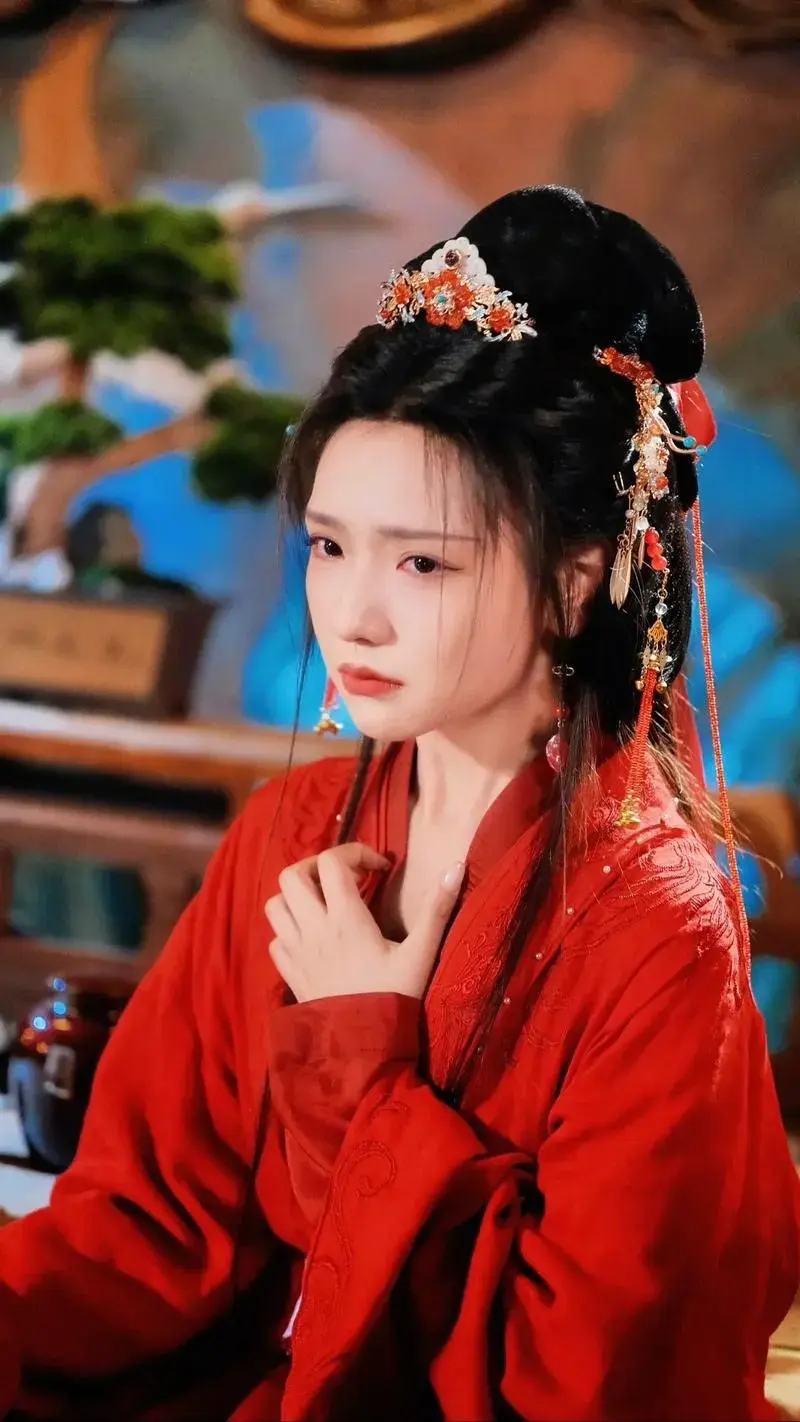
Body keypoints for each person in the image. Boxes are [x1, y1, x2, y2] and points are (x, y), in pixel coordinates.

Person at [0, 184, 797, 1422]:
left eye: (420, 559)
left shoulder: (656, 928)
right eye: (329, 546)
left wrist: (361, 1056)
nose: (351, 615)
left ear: (575, 580)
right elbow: (147, 1226)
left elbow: (586, 1381)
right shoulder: (290, 830)